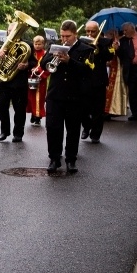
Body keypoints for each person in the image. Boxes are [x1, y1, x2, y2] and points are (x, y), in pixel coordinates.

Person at [40, 20, 95, 174]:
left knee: (73, 129)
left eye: (68, 36)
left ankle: (71, 159)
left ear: (75, 34)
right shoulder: (55, 46)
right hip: (55, 95)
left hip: (75, 96)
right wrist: (52, 55)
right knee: (52, 128)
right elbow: (44, 64)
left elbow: (88, 72)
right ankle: (54, 158)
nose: (64, 39)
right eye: (62, 36)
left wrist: (70, 61)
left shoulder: (86, 49)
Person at [0, 22, 36, 142]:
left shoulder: (27, 45)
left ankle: (18, 133)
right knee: (2, 107)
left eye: (15, 31)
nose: (12, 33)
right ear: (7, 31)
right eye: (10, 31)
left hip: (19, 83)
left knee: (20, 109)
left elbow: (34, 62)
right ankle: (4, 131)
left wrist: (27, 65)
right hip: (3, 82)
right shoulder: (0, 44)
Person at [80, 21, 115, 143]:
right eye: (87, 31)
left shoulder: (106, 42)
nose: (90, 34)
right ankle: (86, 126)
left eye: (93, 31)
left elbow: (110, 56)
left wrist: (99, 46)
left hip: (99, 80)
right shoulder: (82, 41)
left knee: (98, 110)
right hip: (84, 79)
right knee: (83, 108)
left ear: (98, 31)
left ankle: (95, 134)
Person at [105, 28, 128, 117]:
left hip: (118, 67)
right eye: (109, 33)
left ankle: (116, 108)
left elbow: (124, 55)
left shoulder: (121, 42)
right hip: (110, 67)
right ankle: (107, 109)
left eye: (112, 33)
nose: (109, 35)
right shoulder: (107, 42)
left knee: (117, 87)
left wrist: (117, 49)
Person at [27, 35, 49, 126]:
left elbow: (47, 67)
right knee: (30, 98)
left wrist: (41, 74)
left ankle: (38, 116)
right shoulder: (31, 53)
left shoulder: (45, 54)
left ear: (43, 44)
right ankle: (33, 113)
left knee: (40, 99)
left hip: (41, 80)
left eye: (39, 44)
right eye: (35, 44)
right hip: (31, 78)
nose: (37, 46)